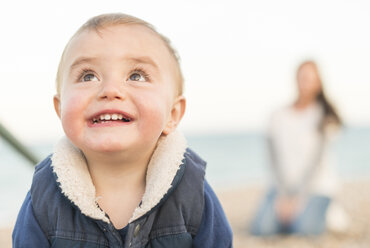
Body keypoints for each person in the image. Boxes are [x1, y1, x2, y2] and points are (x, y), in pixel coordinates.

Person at [12, 13, 233, 247]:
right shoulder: (45, 195)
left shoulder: (192, 192)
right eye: (88, 76)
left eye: (136, 75)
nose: (110, 90)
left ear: (172, 114)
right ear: (60, 108)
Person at [250, 61, 343, 236]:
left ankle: (328, 212)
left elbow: (317, 163)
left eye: (309, 78)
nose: (304, 82)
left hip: (316, 188)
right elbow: (273, 159)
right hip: (282, 188)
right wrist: (284, 195)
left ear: (318, 83)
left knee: (305, 230)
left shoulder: (324, 117)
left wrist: (299, 198)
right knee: (262, 229)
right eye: (301, 77)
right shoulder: (277, 115)